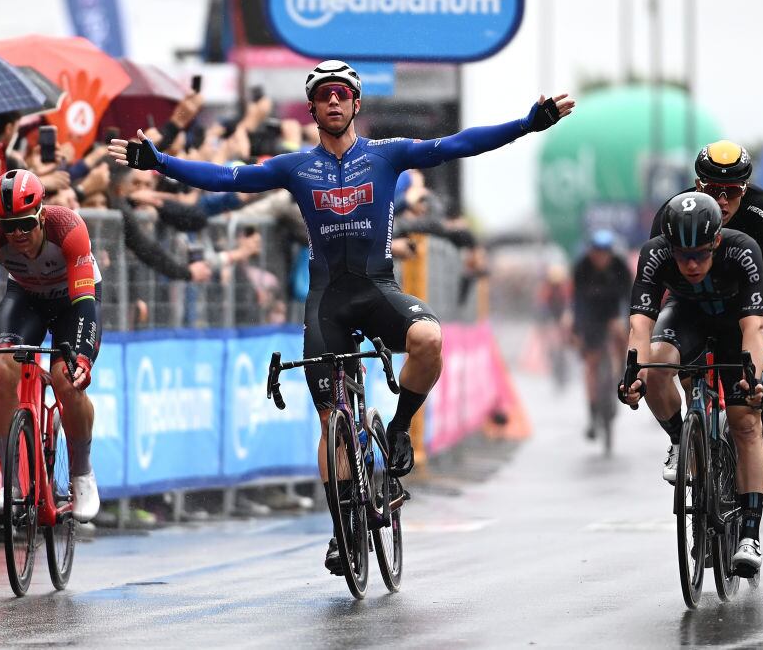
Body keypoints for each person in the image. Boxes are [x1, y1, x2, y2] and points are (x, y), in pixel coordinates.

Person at [109, 59, 575, 574]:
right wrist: (159, 162)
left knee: (428, 339)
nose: (333, 101)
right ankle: (340, 531)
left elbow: (458, 143)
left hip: (377, 290)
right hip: (327, 301)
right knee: (332, 422)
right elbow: (228, 177)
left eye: (342, 94)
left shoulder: (387, 155)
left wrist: (527, 124)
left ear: (356, 104)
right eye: (324, 95)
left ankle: (398, 429)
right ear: (312, 109)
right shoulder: (295, 168)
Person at [620, 193, 763, 576]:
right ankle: (677, 440)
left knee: (745, 422)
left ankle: (750, 534)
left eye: (700, 254)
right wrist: (633, 376)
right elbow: (640, 325)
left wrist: (753, 376)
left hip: (734, 323)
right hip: (685, 317)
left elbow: (754, 327)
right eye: (681, 254)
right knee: (656, 367)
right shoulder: (654, 254)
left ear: (717, 241)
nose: (689, 264)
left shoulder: (743, 250)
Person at [0, 169, 101, 522]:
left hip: (73, 302)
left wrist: (82, 356)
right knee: (1, 369)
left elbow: (84, 302)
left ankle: (81, 472)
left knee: (67, 379)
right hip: (26, 298)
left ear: (42, 216)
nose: (16, 234)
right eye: (8, 226)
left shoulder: (68, 228)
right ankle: (9, 483)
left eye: (24, 224)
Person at [649, 140, 763, 469]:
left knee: (753, 358)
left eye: (732, 192)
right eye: (713, 190)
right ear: (698, 185)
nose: (722, 201)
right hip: (692, 303)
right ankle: (683, 438)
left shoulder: (762, 207)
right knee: (677, 368)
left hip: (744, 302)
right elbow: (653, 279)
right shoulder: (675, 208)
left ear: (746, 187)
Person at [572, 229, 631, 439]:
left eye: (605, 252)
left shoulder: (620, 266)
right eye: (597, 252)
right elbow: (577, 302)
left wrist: (624, 321)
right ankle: (592, 413)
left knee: (622, 334)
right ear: (591, 252)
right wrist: (577, 329)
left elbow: (629, 297)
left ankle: (622, 372)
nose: (601, 257)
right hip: (591, 315)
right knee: (592, 363)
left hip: (613, 312)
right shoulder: (582, 268)